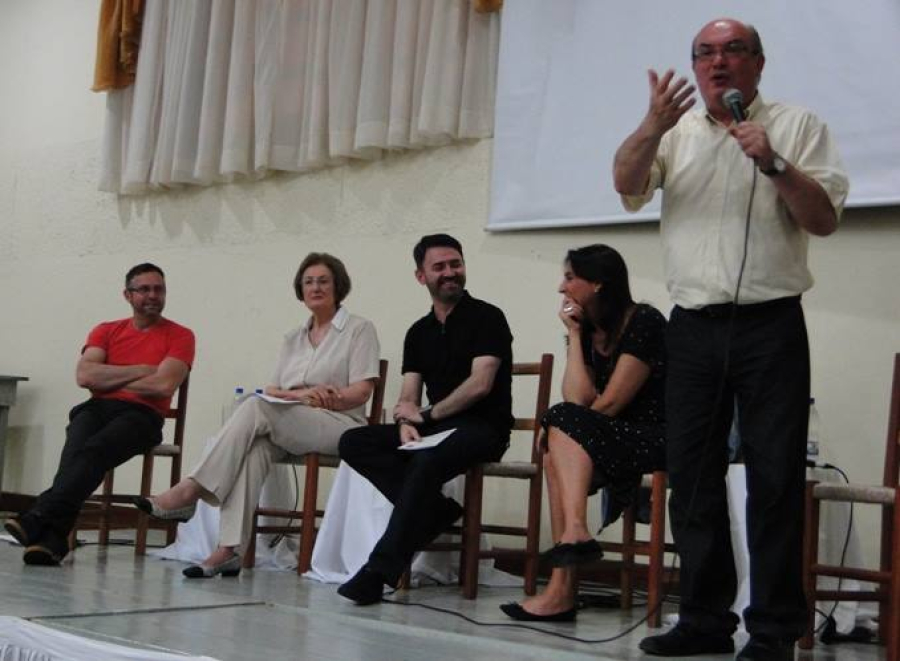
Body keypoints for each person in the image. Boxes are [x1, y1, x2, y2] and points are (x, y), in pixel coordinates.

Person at [613, 18, 849, 661]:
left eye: (733, 51)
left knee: (774, 478)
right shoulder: (675, 134)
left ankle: (773, 629)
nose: (719, 64)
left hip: (771, 324)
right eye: (706, 54)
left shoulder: (798, 126)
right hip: (692, 326)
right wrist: (650, 127)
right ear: (694, 67)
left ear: (758, 64)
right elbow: (627, 183)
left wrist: (772, 161)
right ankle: (704, 620)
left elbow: (823, 219)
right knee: (691, 476)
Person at [136, 253, 380, 578]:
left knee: (254, 405)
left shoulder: (359, 329)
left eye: (323, 281)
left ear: (338, 286)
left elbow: (362, 392)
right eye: (308, 282)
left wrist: (319, 398)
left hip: (340, 424)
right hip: (290, 419)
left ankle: (189, 491)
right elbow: (274, 389)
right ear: (300, 289)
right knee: (254, 447)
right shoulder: (293, 338)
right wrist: (300, 395)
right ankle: (229, 551)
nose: (316, 287)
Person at [336, 233, 513, 605]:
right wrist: (406, 420)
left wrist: (428, 415)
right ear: (421, 276)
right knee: (354, 441)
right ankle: (432, 512)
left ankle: (379, 571)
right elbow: (408, 395)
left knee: (425, 458)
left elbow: (480, 384)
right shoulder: (418, 332)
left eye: (456, 264)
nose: (450, 272)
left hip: (484, 427)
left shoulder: (488, 317)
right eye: (440, 267)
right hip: (439, 428)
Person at [499, 244, 666, 622]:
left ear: (599, 283)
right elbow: (578, 398)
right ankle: (567, 566)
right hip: (614, 437)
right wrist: (575, 336)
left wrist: (565, 428)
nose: (562, 287)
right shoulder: (589, 331)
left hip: (656, 438)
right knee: (557, 436)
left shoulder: (645, 321)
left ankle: (563, 585)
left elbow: (608, 405)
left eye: (570, 277)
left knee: (558, 430)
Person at [4, 264, 195, 566]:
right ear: (127, 295)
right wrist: (139, 370)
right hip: (96, 409)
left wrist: (110, 376)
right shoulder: (106, 330)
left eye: (159, 289)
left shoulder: (180, 335)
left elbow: (163, 384)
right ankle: (53, 541)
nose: (153, 295)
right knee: (75, 453)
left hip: (143, 416)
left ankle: (38, 516)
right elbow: (84, 375)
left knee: (94, 450)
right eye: (144, 289)